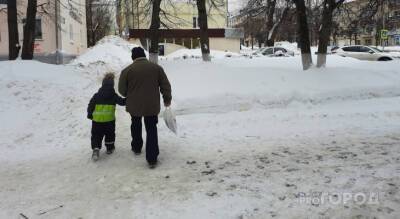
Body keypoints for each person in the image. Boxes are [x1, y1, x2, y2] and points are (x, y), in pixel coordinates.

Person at [118, 47, 172, 168]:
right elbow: (165, 85)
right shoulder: (156, 68)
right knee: (151, 128)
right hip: (151, 105)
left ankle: (137, 147)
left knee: (135, 124)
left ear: (133, 57)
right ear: (144, 55)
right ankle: (152, 158)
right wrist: (167, 99)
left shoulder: (127, 70)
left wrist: (130, 94)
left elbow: (122, 90)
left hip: (134, 105)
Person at [87, 73, 126, 161]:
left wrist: (90, 114)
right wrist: (129, 98)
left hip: (97, 120)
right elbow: (122, 102)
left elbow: (91, 105)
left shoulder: (97, 95)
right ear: (112, 84)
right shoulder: (113, 95)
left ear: (103, 84)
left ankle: (96, 149)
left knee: (96, 135)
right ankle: (109, 148)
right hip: (109, 120)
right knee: (110, 134)